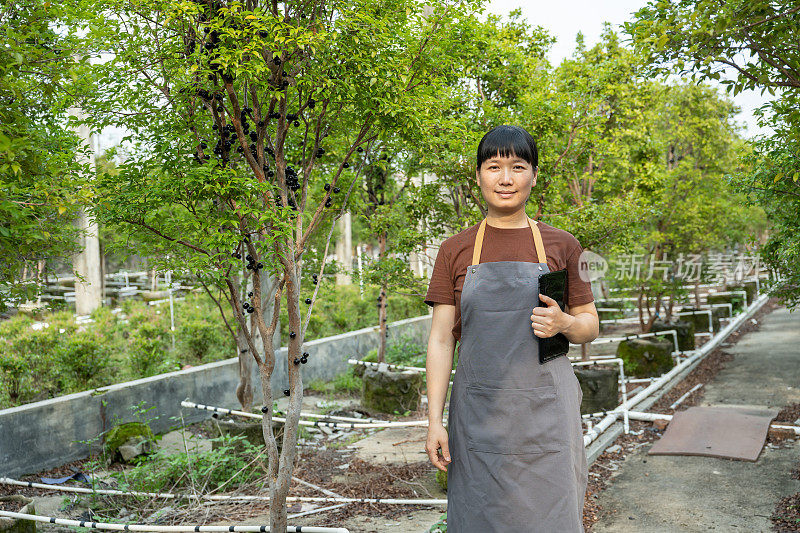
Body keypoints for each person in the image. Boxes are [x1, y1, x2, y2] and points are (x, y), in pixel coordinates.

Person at [424, 124, 600, 532]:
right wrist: (434, 420)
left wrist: (565, 323)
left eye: (518, 166)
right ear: (479, 175)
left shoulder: (564, 245)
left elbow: (590, 324)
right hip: (479, 414)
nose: (506, 178)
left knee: (551, 516)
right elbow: (439, 340)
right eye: (494, 166)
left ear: (534, 176)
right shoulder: (455, 250)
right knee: (479, 516)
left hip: (547, 414)